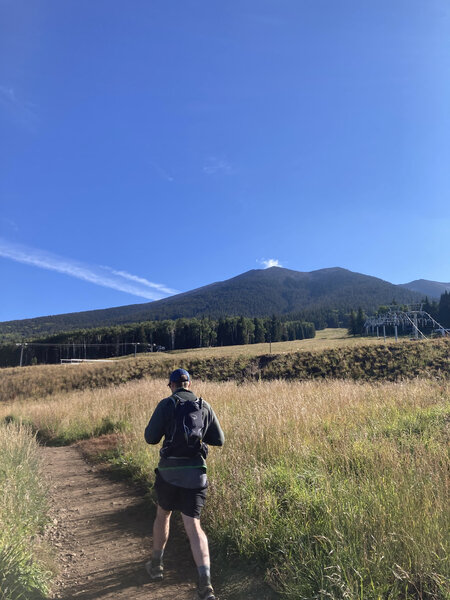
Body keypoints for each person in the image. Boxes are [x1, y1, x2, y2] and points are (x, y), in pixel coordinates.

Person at [144, 368, 225, 600]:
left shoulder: (166, 405)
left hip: (169, 473)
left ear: (171, 384)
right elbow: (219, 439)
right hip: (196, 474)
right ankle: (205, 585)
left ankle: (156, 566)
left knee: (164, 514)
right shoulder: (203, 405)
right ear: (189, 383)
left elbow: (150, 438)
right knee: (194, 526)